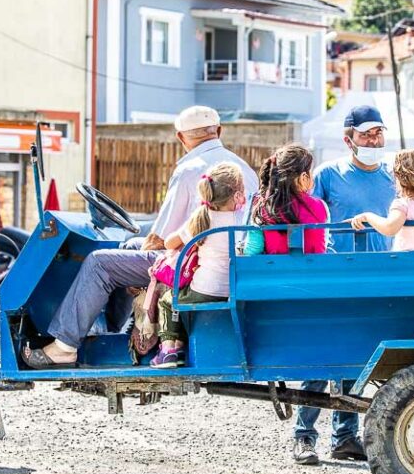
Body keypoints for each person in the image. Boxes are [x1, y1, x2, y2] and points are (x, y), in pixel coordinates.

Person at [24, 106, 259, 368]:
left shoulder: (191, 169)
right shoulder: (243, 169)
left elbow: (160, 239)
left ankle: (65, 347)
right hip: (229, 259)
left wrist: (145, 257)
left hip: (194, 265)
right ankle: (117, 332)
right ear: (219, 131)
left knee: (99, 263)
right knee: (129, 246)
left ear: (181, 138)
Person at [291, 105, 396, 466]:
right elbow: (308, 218)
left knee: (357, 359)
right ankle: (304, 437)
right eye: (366, 134)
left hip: (376, 278)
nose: (374, 139)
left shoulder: (392, 178)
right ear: (348, 139)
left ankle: (345, 436)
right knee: (320, 359)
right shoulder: (328, 176)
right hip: (334, 277)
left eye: (378, 132)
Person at [153, 163, 246, 368]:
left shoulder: (202, 218)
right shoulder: (242, 218)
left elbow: (169, 243)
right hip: (236, 289)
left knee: (168, 300)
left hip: (206, 288)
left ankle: (169, 350)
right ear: (238, 194)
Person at [351, 149, 414, 251]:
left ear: (399, 178)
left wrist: (368, 216)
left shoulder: (403, 204)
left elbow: (389, 228)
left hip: (406, 264)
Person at [244, 144, 328, 255]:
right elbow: (323, 244)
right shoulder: (321, 206)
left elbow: (252, 251)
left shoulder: (263, 207)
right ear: (303, 178)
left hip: (274, 271)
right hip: (315, 271)